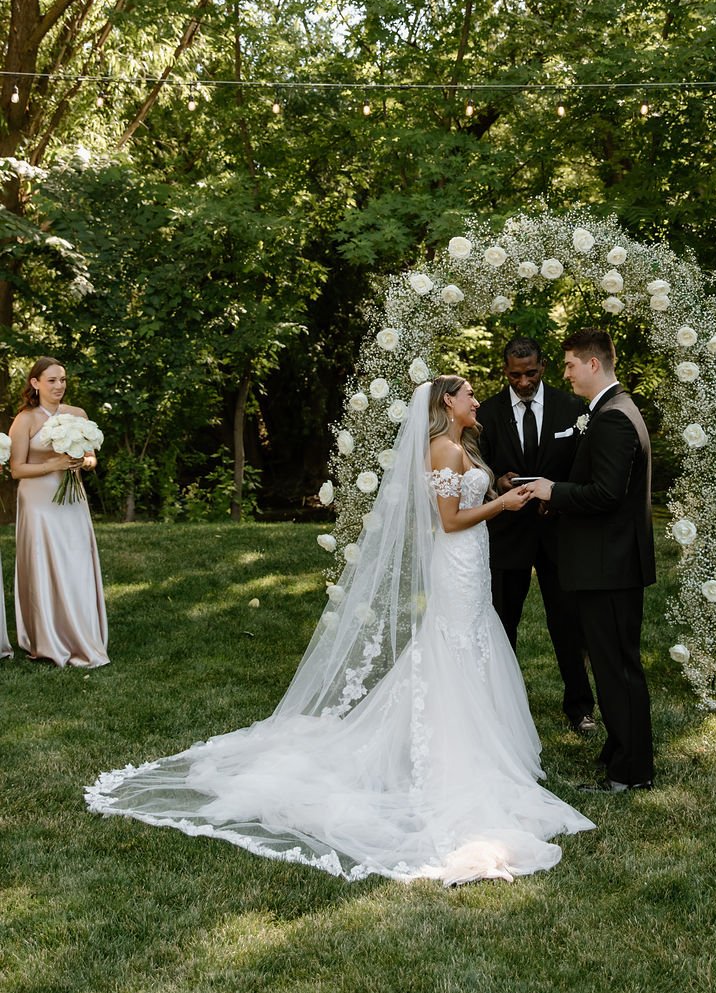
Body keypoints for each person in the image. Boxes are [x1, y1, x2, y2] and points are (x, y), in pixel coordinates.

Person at [86, 375, 594, 885]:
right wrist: (502, 506)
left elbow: (467, 499)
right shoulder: (441, 447)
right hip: (457, 557)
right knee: (456, 643)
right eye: (467, 394)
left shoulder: (460, 444)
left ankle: (479, 740)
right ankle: (453, 750)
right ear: (448, 402)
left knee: (474, 640)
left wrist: (501, 488)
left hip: (472, 561)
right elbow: (448, 520)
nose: (476, 400)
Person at [525, 329, 656, 793]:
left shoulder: (614, 418)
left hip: (610, 566)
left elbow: (606, 494)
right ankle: (621, 753)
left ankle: (631, 771)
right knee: (611, 664)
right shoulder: (609, 411)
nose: (564, 374)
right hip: (609, 563)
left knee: (618, 668)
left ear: (593, 365)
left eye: (569, 365)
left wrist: (552, 491)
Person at [476, 336, 597, 734]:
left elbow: (583, 466)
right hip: (507, 532)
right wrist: (499, 479)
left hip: (557, 530)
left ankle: (580, 709)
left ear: (543, 367)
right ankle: (498, 706)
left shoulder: (572, 408)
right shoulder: (488, 413)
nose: (523, 382)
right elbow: (477, 465)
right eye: (515, 375)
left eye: (530, 373)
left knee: (567, 621)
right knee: (501, 620)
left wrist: (557, 496)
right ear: (504, 371)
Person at [9, 357, 108, 668]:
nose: (59, 386)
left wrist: (83, 462)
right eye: (51, 380)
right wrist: (50, 465)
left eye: (62, 379)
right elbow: (16, 470)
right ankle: (47, 639)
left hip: (72, 499)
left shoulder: (77, 415)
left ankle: (82, 634)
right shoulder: (24, 420)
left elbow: (92, 459)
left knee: (76, 561)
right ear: (35, 383)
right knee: (44, 562)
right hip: (38, 503)